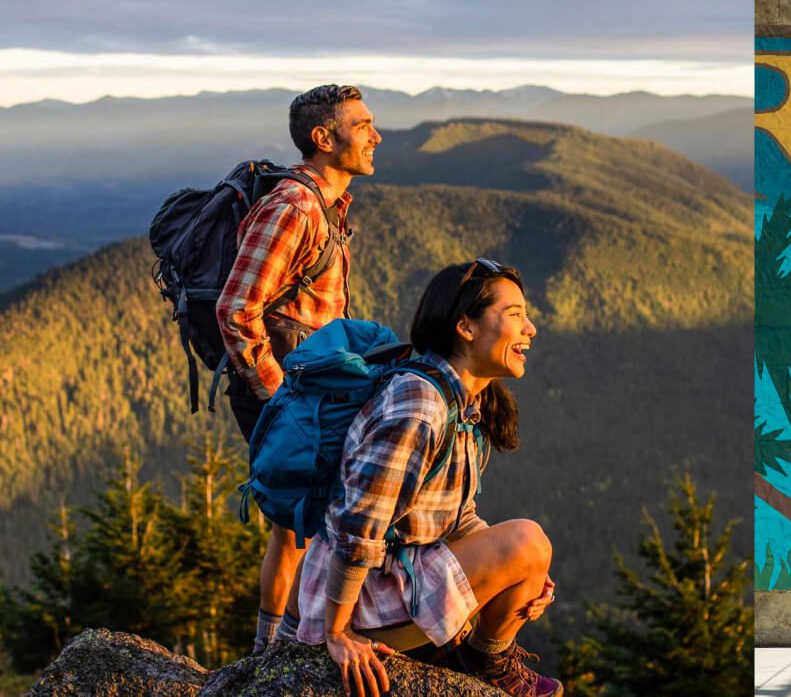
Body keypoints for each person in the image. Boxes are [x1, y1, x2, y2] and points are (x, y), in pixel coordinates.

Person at [296, 259, 559, 697]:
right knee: (529, 540)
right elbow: (356, 527)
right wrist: (337, 634)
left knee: (529, 556)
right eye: (515, 315)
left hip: (395, 578)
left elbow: (458, 515)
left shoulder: (466, 406)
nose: (530, 328)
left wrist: (522, 570)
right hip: (357, 601)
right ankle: (482, 662)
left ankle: (473, 658)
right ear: (466, 327)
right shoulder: (420, 406)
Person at [216, 84, 382, 653]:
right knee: (297, 526)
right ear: (323, 138)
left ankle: (285, 646)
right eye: (362, 126)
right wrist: (276, 396)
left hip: (310, 391)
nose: (375, 136)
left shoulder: (328, 206)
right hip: (289, 393)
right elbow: (235, 308)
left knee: (305, 523)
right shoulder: (295, 207)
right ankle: (274, 655)